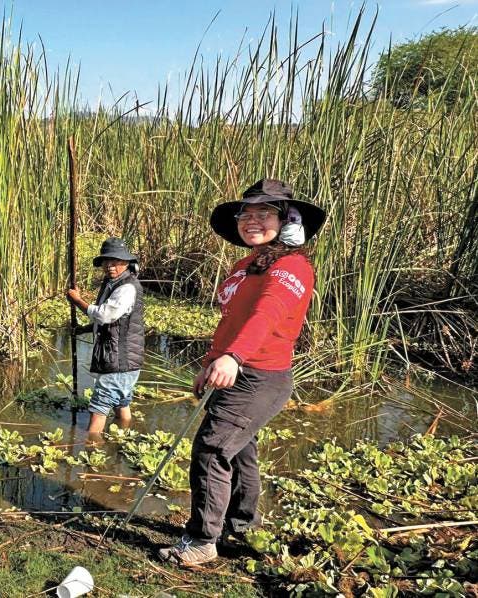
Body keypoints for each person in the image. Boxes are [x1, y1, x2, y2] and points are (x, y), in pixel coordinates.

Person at [158, 179, 326, 566]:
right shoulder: (246, 265)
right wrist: (211, 362)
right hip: (234, 372)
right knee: (240, 451)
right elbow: (231, 320)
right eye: (245, 213)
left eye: (264, 213)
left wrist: (234, 357)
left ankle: (202, 540)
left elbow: (267, 315)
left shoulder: (293, 267)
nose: (252, 220)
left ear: (286, 220)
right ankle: (243, 525)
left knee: (213, 449)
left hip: (260, 378)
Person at [66, 238, 145, 439]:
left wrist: (77, 301)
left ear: (126, 262)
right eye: (106, 261)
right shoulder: (112, 283)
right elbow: (112, 322)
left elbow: (104, 315)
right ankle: (122, 440)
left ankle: (92, 448)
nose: (110, 266)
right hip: (124, 360)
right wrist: (84, 329)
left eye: (116, 261)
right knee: (121, 402)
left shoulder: (127, 288)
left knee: (99, 407)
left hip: (120, 360)